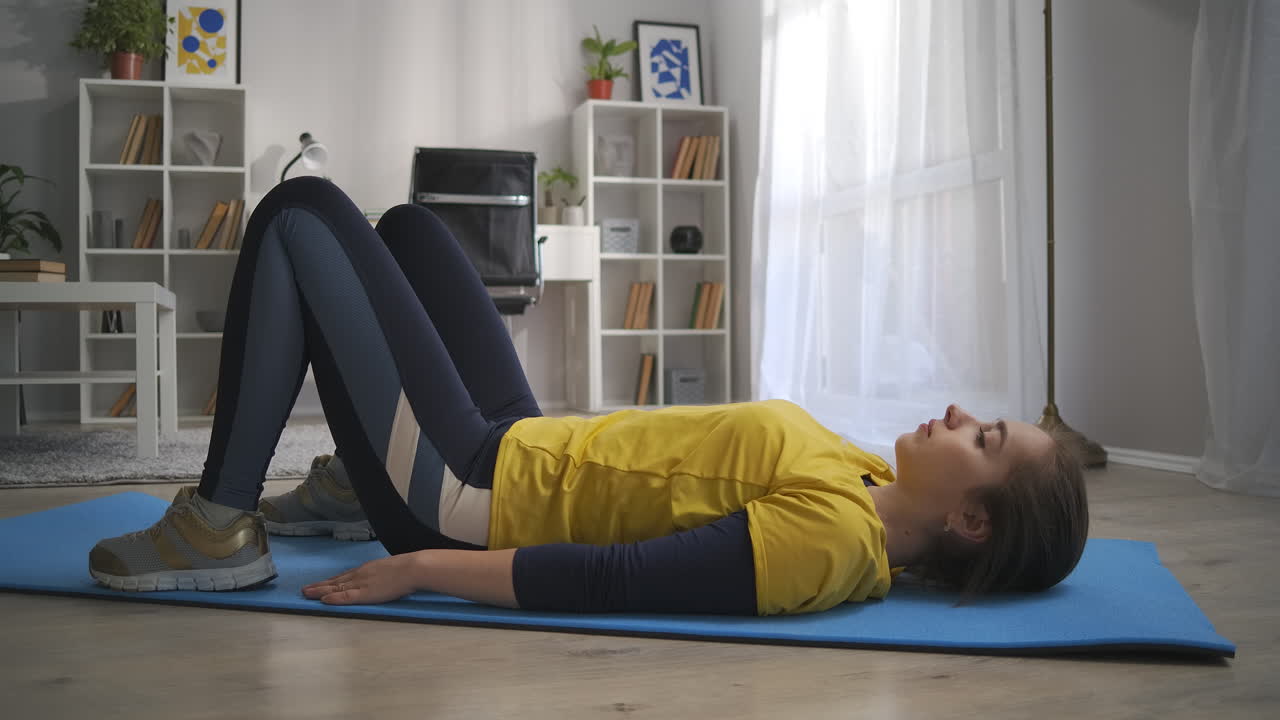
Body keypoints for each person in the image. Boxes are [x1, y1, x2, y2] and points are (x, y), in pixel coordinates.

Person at [87, 177, 1089, 616]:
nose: (959, 414)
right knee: (411, 229)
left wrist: (426, 566)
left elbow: (617, 578)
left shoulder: (832, 542)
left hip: (469, 493)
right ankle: (357, 483)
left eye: (986, 438)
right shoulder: (862, 472)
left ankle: (217, 523)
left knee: (303, 215)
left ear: (967, 516)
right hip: (519, 442)